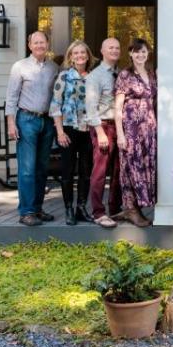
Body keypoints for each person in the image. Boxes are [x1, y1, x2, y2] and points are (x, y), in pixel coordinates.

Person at [5, 30, 58, 227]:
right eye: (35, 43)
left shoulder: (54, 67)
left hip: (47, 121)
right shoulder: (19, 67)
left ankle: (37, 208)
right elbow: (11, 97)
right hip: (26, 120)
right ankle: (26, 211)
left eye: (42, 42)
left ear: (47, 44)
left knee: (42, 168)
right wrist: (11, 123)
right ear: (29, 45)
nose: (39, 46)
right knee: (27, 168)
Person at [49, 39, 95, 225]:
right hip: (68, 129)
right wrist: (59, 132)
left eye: (82, 52)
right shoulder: (64, 77)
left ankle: (81, 208)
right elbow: (55, 105)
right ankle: (68, 208)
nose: (79, 56)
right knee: (67, 172)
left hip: (87, 129)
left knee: (85, 171)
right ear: (70, 57)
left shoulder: (93, 77)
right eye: (75, 53)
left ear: (88, 56)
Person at [114, 38, 157, 227]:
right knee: (130, 169)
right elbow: (117, 107)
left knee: (146, 167)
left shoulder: (151, 73)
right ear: (130, 53)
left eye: (144, 51)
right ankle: (131, 209)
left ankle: (137, 208)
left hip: (148, 129)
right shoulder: (125, 75)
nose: (141, 55)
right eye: (137, 51)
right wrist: (120, 134)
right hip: (130, 129)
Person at [85, 37, 122, 227]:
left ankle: (115, 210)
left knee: (118, 170)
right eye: (111, 48)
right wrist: (99, 132)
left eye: (117, 48)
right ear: (102, 51)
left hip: (118, 127)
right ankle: (98, 212)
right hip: (103, 126)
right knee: (99, 171)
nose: (115, 51)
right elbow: (91, 108)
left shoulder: (120, 73)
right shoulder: (95, 76)